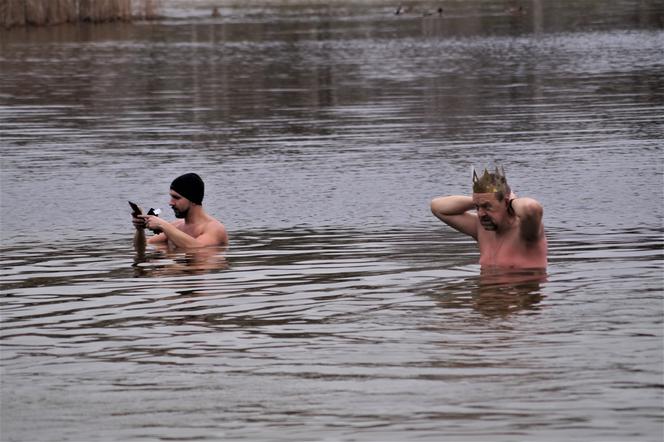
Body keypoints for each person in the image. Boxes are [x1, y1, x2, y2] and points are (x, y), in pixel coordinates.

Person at [430, 167, 547, 269]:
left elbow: (531, 209)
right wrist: (480, 200)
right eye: (477, 207)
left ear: (506, 203)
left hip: (523, 292)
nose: (481, 214)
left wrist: (511, 201)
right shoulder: (480, 228)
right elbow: (437, 207)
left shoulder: (526, 231)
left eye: (487, 206)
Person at [132, 173, 228, 249]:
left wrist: (163, 225)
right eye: (171, 197)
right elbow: (142, 246)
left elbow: (197, 248)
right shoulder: (176, 226)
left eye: (176, 198)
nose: (170, 203)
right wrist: (140, 230)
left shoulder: (215, 228)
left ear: (193, 200)